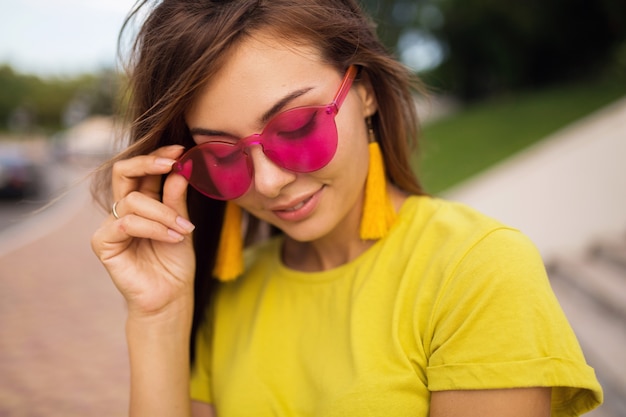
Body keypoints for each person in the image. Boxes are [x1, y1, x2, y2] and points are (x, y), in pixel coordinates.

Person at [90, 0, 603, 416]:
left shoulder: (477, 269)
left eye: (295, 127)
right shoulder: (231, 295)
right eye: (221, 155)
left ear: (364, 93)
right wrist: (157, 316)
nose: (268, 182)